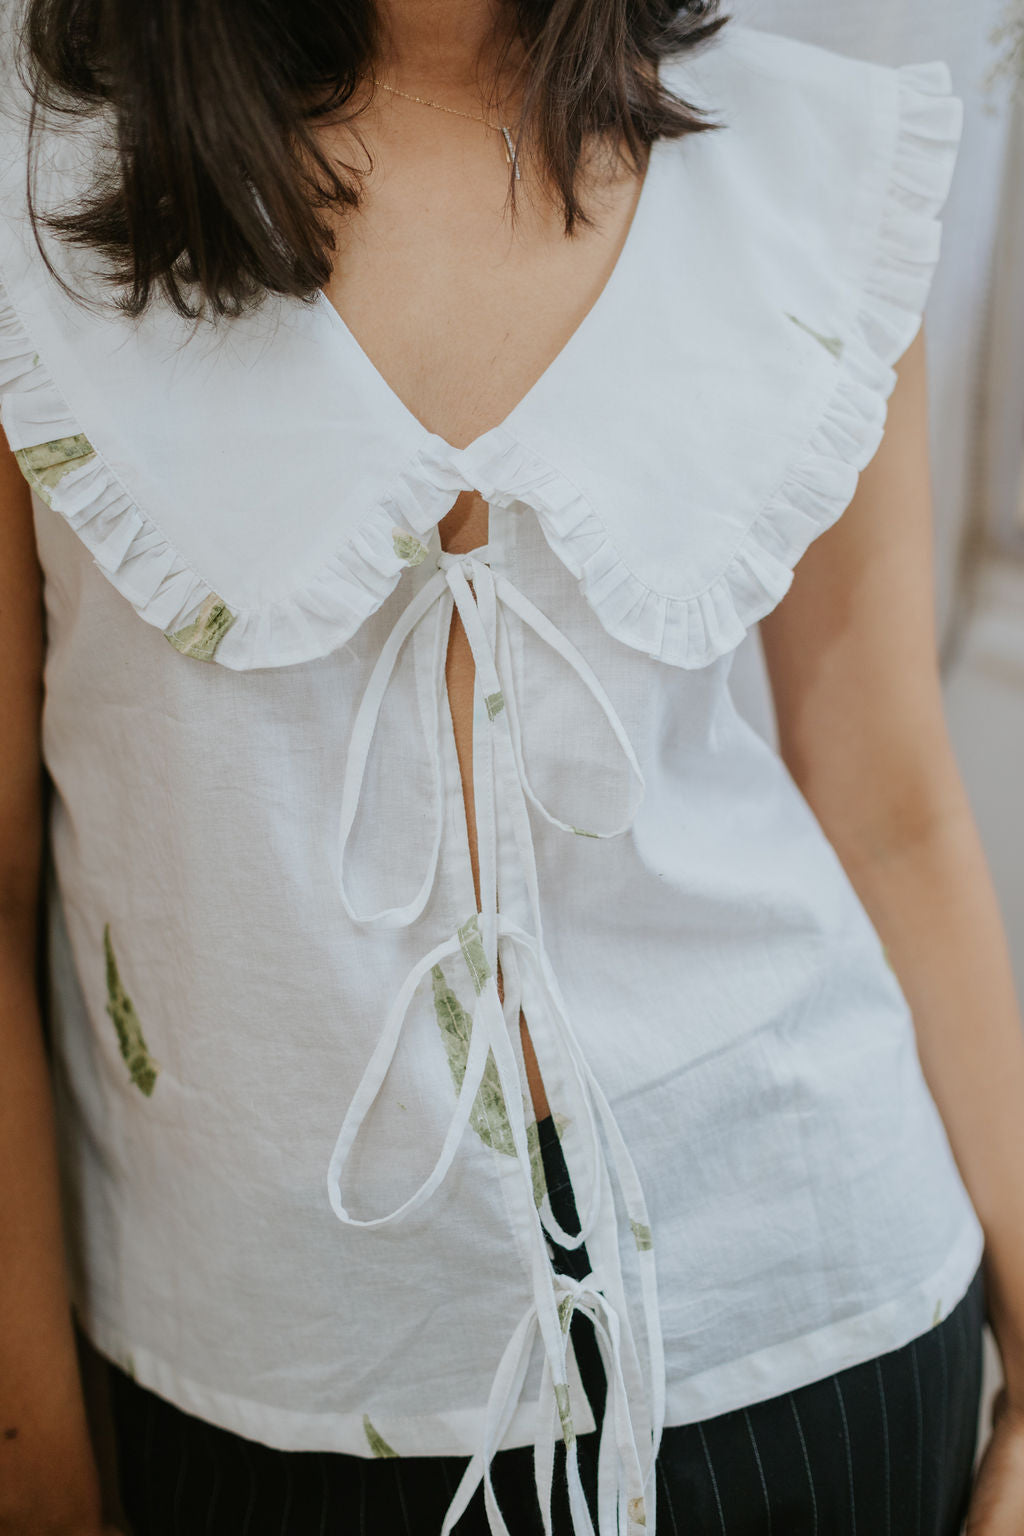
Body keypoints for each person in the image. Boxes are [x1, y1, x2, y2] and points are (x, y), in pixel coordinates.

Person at [2, 0, 1024, 1532]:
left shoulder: (803, 158)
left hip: (826, 1349)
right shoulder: (36, 191)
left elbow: (893, 811)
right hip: (250, 1410)